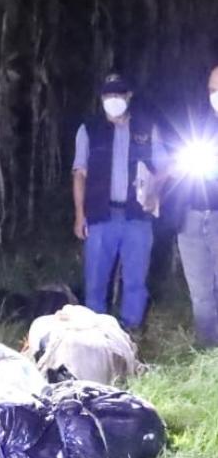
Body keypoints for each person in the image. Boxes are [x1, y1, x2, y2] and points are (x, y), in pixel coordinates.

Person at [72, 73, 164, 331]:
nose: (113, 99)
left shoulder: (147, 128)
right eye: (108, 94)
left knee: (136, 281)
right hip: (100, 216)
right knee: (95, 282)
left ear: (128, 95)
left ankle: (130, 332)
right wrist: (79, 214)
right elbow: (79, 173)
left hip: (138, 218)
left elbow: (165, 168)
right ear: (102, 97)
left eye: (118, 94)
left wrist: (155, 192)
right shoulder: (89, 129)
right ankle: (94, 334)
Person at [160, 65, 218, 346]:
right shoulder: (201, 126)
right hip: (191, 219)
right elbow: (178, 165)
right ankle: (209, 348)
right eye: (212, 89)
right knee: (200, 292)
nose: (215, 95)